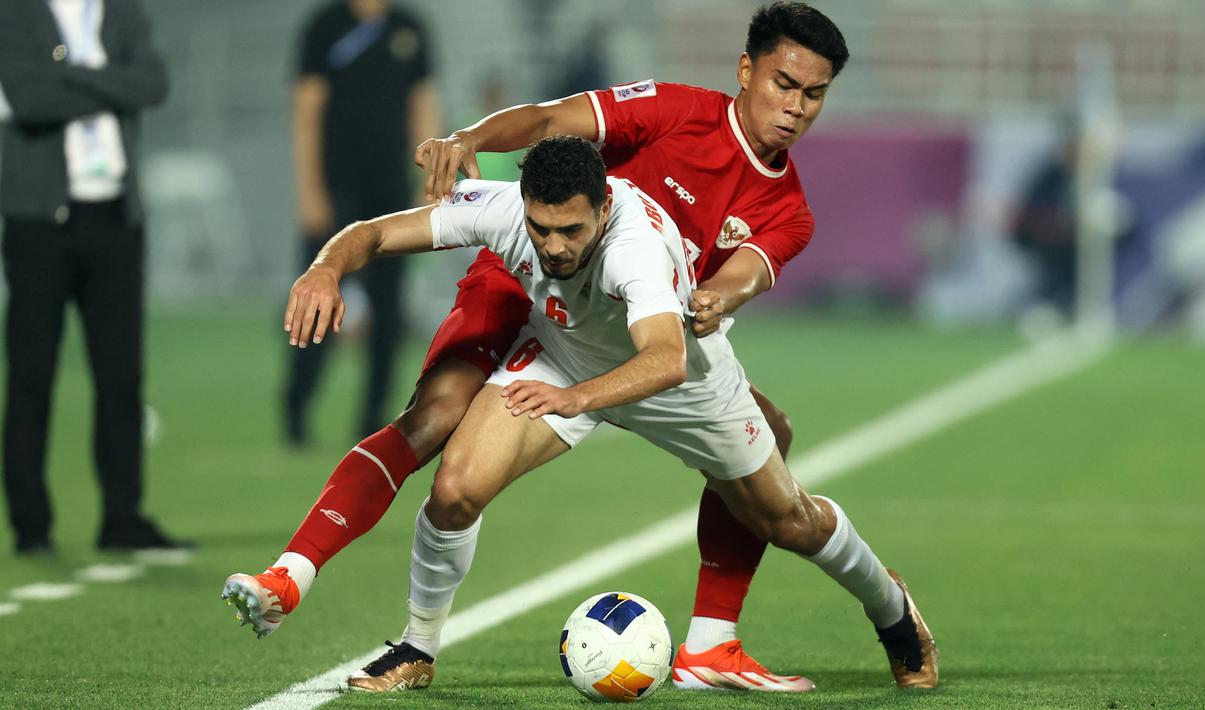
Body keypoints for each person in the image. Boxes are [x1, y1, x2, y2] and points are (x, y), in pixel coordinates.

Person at [221, 2, 902, 693]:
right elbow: (545, 124)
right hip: (547, 309)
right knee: (439, 434)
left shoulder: (771, 211)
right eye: (782, 85)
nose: (793, 108)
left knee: (779, 494)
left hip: (645, 338)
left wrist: (716, 298)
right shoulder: (660, 119)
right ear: (746, 70)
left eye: (811, 95)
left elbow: (737, 279)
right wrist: (466, 142)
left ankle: (846, 619)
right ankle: (356, 611)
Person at [0, 0, 190, 554]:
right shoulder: (15, 11)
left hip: (116, 217)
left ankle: (122, 516)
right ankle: (31, 524)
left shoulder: (122, 9)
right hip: (39, 219)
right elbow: (28, 98)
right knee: (32, 375)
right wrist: (110, 80)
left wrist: (71, 75)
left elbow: (153, 84)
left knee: (121, 376)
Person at [286, 0, 441, 443]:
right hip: (336, 192)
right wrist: (311, 191)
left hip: (390, 193)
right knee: (316, 304)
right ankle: (297, 406)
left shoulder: (409, 28)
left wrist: (425, 182)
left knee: (389, 314)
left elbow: (424, 105)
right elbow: (307, 111)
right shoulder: (325, 26)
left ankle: (372, 417)